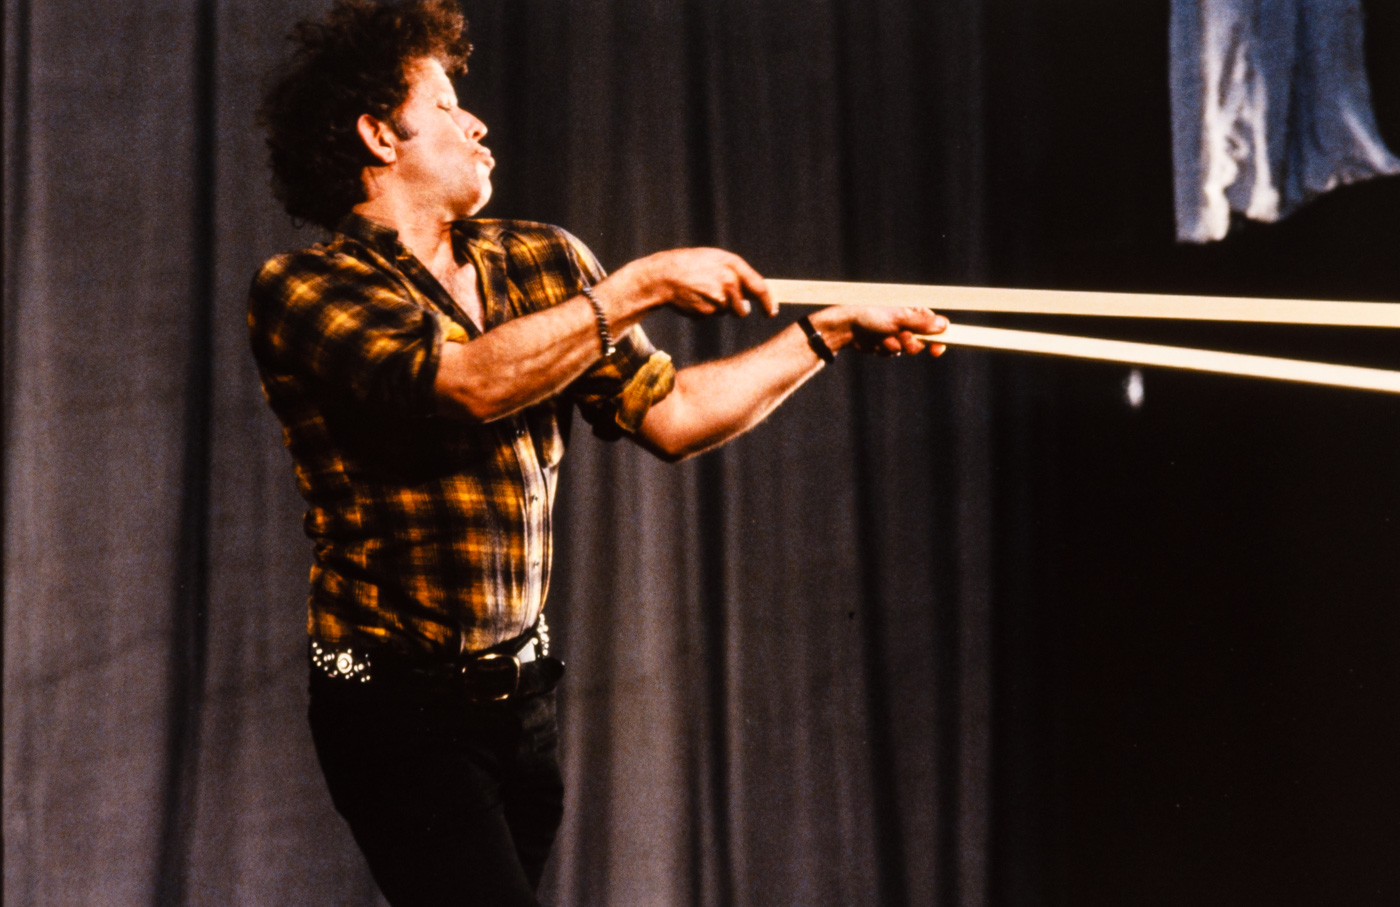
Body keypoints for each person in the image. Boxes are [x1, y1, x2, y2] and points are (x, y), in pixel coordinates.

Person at [249, 1, 947, 904]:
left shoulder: (543, 262)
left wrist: (827, 334)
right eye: (449, 105)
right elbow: (467, 383)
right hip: (393, 705)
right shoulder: (306, 286)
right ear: (380, 135)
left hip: (522, 701)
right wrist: (640, 285)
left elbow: (675, 416)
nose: (477, 124)